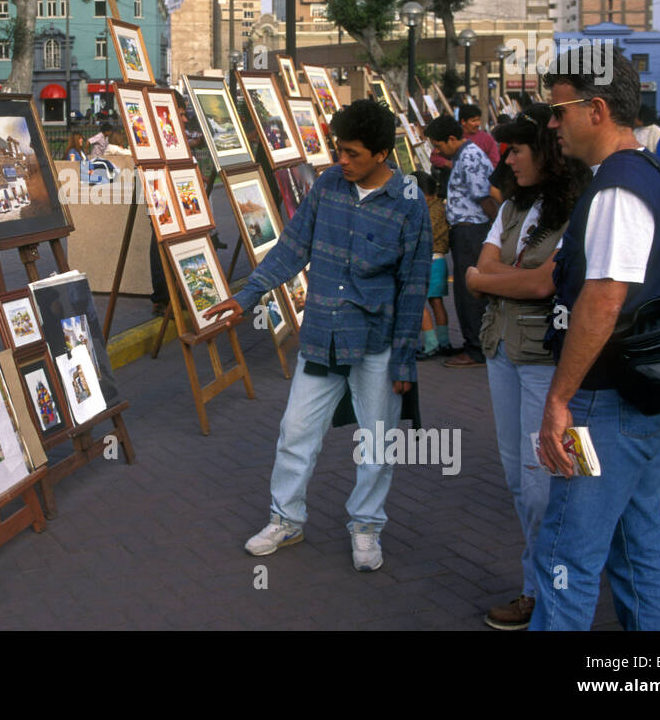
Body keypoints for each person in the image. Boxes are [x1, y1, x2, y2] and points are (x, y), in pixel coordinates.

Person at [202, 99, 431, 572]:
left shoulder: (409, 200)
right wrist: (245, 297)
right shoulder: (328, 185)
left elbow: (413, 285)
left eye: (353, 154)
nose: (340, 161)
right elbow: (292, 246)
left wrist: (405, 359)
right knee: (295, 431)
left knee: (378, 442)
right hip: (323, 334)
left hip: (377, 344)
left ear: (383, 153)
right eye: (338, 150)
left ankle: (366, 526)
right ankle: (286, 518)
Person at [532, 45, 660, 631]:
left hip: (604, 403)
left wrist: (559, 400)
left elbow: (602, 302)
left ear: (596, 108)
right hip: (646, 398)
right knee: (638, 540)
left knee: (564, 554)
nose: (552, 124)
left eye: (559, 110)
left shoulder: (618, 190)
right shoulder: (657, 172)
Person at [463, 104, 590, 629]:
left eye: (517, 149)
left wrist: (487, 278)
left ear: (545, 150)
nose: (508, 159)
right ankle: (536, 588)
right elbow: (488, 268)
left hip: (545, 359)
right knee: (520, 478)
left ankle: (552, 593)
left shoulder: (576, 209)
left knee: (546, 482)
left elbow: (542, 284)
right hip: (502, 351)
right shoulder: (513, 207)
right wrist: (497, 276)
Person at [424, 114, 497, 367]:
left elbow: (485, 198)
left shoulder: (469, 157)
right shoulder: (463, 156)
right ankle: (473, 343)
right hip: (465, 230)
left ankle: (475, 348)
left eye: (439, 145)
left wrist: (496, 230)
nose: (438, 151)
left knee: (469, 292)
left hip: (471, 231)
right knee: (465, 291)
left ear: (452, 139)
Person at [413, 171, 453, 360]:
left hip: (423, 261)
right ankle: (444, 341)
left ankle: (430, 343)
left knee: (418, 303)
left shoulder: (419, 210)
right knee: (437, 302)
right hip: (440, 260)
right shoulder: (441, 208)